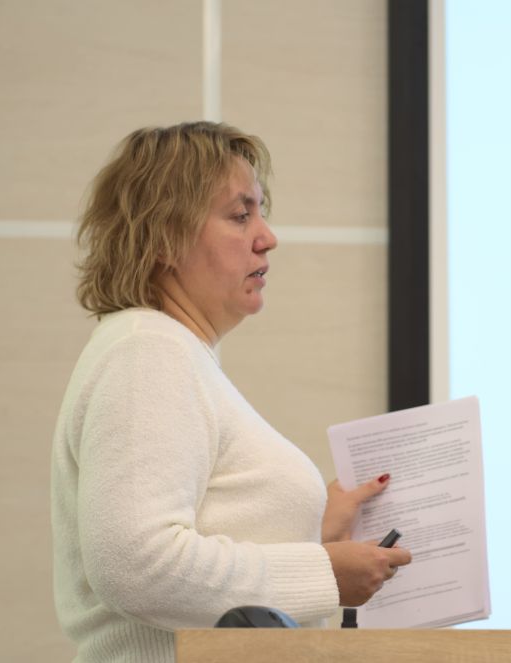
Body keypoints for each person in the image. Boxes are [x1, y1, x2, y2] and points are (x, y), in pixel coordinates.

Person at [50, 121, 410, 662]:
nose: (268, 237)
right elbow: (136, 566)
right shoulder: (149, 352)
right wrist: (323, 573)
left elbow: (197, 542)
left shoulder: (172, 353)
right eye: (241, 216)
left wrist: (313, 531)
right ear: (164, 237)